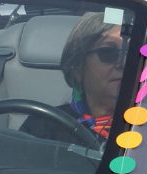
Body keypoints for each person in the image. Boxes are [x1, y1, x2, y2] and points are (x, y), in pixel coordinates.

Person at [22, 12, 126, 141]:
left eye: (133, 53)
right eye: (108, 52)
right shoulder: (42, 127)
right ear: (77, 67)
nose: (124, 63)